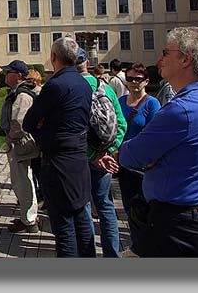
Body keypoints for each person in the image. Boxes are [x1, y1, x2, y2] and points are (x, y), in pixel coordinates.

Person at [117, 27, 198, 257]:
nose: (160, 59)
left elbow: (130, 155)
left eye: (166, 52)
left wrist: (150, 157)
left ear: (185, 60)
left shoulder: (181, 110)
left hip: (180, 225)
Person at [23, 37, 95, 257]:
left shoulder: (55, 85)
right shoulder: (84, 83)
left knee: (63, 226)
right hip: (79, 157)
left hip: (58, 160)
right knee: (81, 216)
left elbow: (28, 122)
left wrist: (43, 128)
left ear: (54, 57)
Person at [77, 52, 126, 258]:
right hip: (104, 157)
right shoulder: (105, 88)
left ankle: (88, 255)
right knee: (105, 205)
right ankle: (113, 255)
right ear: (87, 63)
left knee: (85, 205)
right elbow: (121, 123)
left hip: (81, 157)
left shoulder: (72, 89)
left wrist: (89, 153)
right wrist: (108, 150)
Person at [115, 62, 160, 254]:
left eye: (138, 79)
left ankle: (145, 248)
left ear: (146, 81)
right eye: (130, 79)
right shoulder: (122, 100)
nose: (134, 83)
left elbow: (154, 134)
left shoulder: (151, 103)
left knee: (144, 209)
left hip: (142, 166)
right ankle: (137, 246)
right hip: (124, 162)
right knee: (129, 207)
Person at [0, 60, 40, 234]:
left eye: (9, 72)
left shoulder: (22, 95)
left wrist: (10, 137)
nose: (5, 74)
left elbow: (19, 122)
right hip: (20, 142)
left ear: (19, 76)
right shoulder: (19, 92)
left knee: (23, 181)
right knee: (22, 180)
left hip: (21, 144)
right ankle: (28, 216)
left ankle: (29, 221)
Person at [26, 68, 45, 204]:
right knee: (38, 168)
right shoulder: (40, 92)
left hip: (36, 137)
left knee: (38, 168)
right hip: (38, 137)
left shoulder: (37, 94)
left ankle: (40, 195)